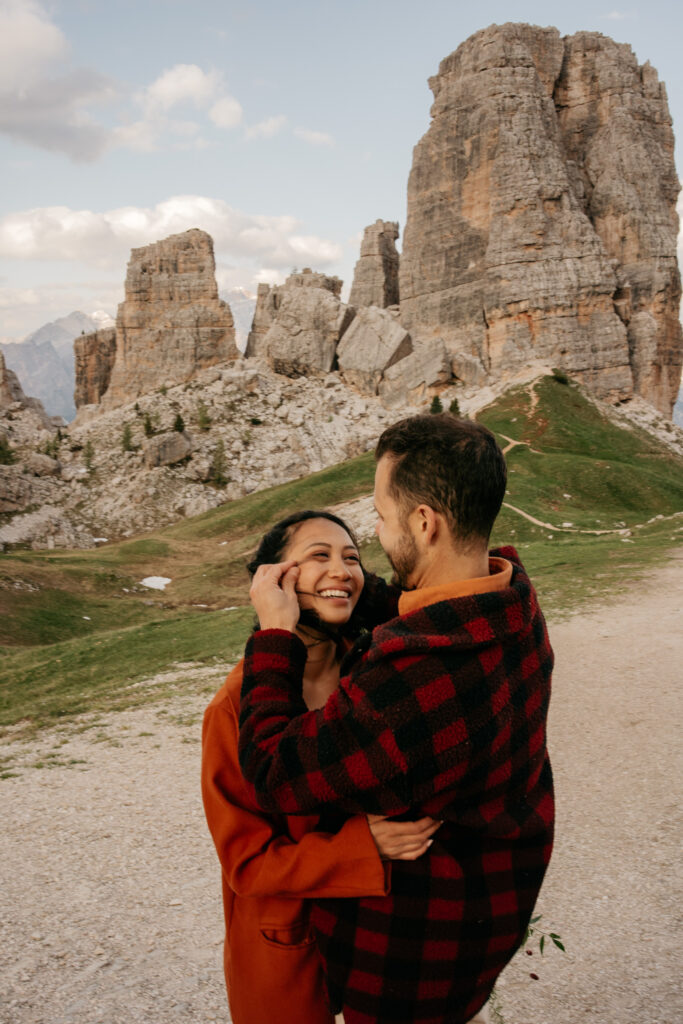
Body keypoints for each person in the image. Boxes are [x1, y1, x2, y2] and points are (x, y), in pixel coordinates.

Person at [238, 415, 555, 1024]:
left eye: (380, 518)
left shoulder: (414, 673)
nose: (375, 537)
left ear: (424, 522)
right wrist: (345, 584)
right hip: (486, 922)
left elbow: (275, 772)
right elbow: (418, 604)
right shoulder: (512, 596)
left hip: (409, 963)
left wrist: (277, 632)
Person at [201, 510, 440, 1024]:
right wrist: (363, 846)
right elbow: (247, 863)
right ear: (273, 578)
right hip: (293, 949)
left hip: (385, 938)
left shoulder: (380, 666)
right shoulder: (233, 707)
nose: (342, 569)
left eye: (352, 558)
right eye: (319, 555)